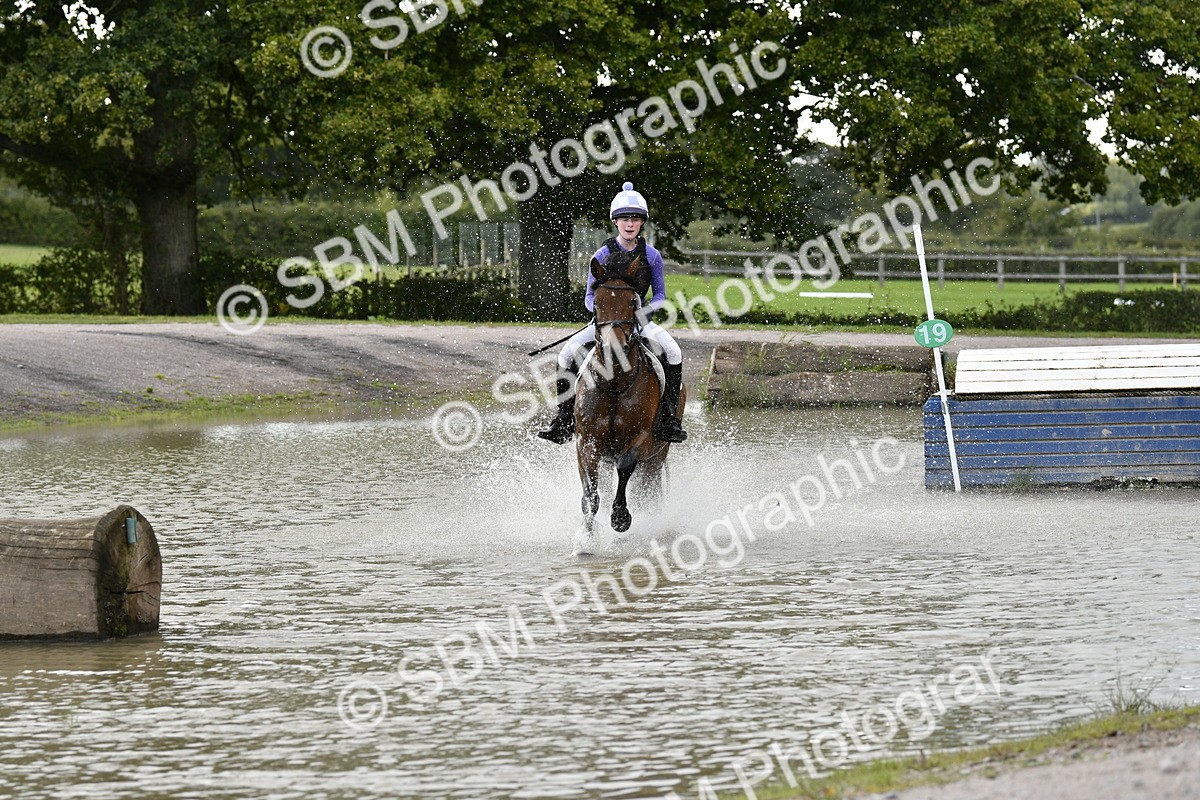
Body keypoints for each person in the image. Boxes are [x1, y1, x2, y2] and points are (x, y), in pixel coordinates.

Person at [538, 182, 688, 445]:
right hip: (604, 323)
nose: (630, 224)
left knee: (674, 353)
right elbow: (589, 297)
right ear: (615, 222)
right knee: (565, 355)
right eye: (624, 219)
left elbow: (660, 296)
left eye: (635, 219)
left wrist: (642, 313)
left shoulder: (651, 255)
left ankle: (669, 420)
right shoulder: (602, 254)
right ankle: (562, 420)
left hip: (639, 321)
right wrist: (603, 316)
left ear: (642, 223)